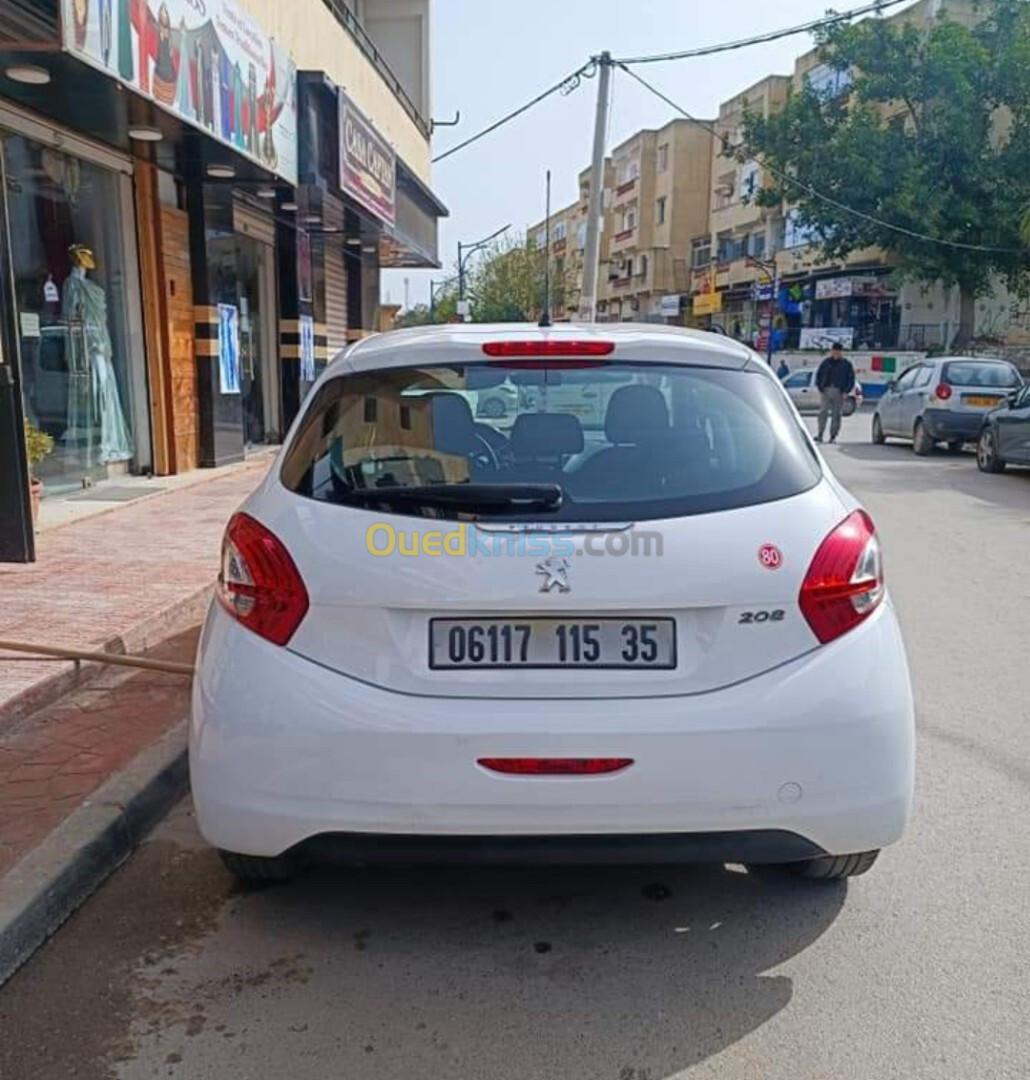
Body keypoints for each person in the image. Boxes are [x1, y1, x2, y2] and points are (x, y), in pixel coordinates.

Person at [815, 342, 856, 444]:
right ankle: (820, 434)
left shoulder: (846, 364)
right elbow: (819, 375)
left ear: (841, 352)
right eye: (834, 351)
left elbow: (851, 379)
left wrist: (846, 391)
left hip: (839, 391)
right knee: (822, 413)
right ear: (831, 351)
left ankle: (833, 436)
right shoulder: (826, 363)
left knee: (836, 415)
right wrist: (820, 388)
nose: (835, 353)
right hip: (826, 389)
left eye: (838, 351)